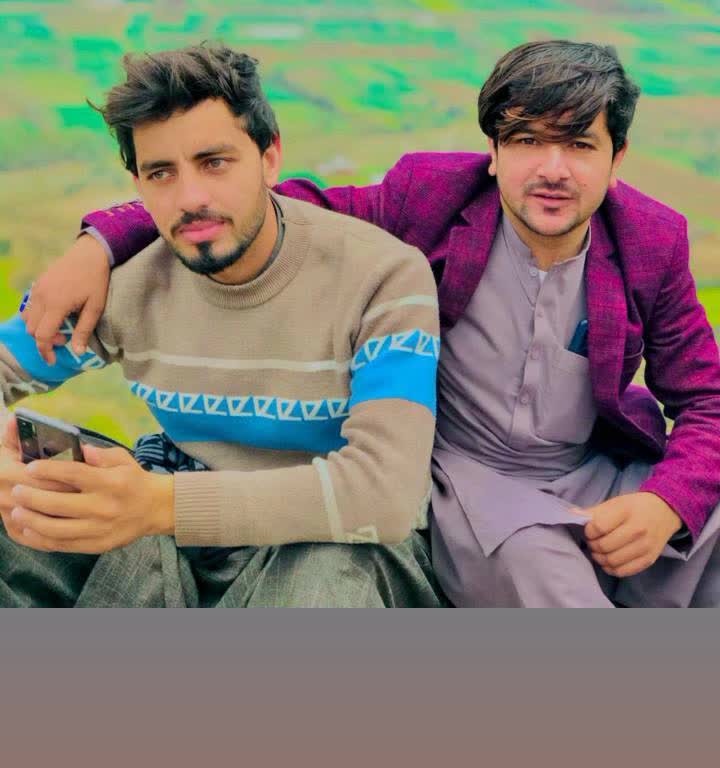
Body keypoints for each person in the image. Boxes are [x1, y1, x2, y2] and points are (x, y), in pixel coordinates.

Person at [15, 40, 720, 606]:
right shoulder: (433, 200)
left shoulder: (649, 243)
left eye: (581, 146)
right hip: (469, 481)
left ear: (617, 159)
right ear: (494, 151)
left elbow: (707, 399)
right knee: (546, 582)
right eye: (528, 141)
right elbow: (257, 206)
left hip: (590, 469)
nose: (553, 169)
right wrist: (102, 240)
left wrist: (668, 502)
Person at [0, 44, 444, 608]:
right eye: (161, 173)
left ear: (270, 158)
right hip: (171, 524)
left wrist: (159, 505)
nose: (191, 198)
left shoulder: (381, 276)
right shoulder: (126, 281)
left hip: (337, 543)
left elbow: (386, 496)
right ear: (138, 185)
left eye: (214, 162)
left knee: (321, 585)